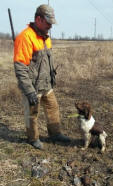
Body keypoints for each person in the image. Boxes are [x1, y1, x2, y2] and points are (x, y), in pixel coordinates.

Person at [14, 4, 70, 150]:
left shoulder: (46, 37)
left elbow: (47, 61)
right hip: (33, 86)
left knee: (53, 107)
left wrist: (52, 79)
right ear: (38, 19)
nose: (50, 26)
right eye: (48, 22)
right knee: (32, 113)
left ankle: (55, 134)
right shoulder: (25, 37)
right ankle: (33, 138)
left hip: (46, 84)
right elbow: (20, 67)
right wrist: (29, 91)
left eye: (52, 23)